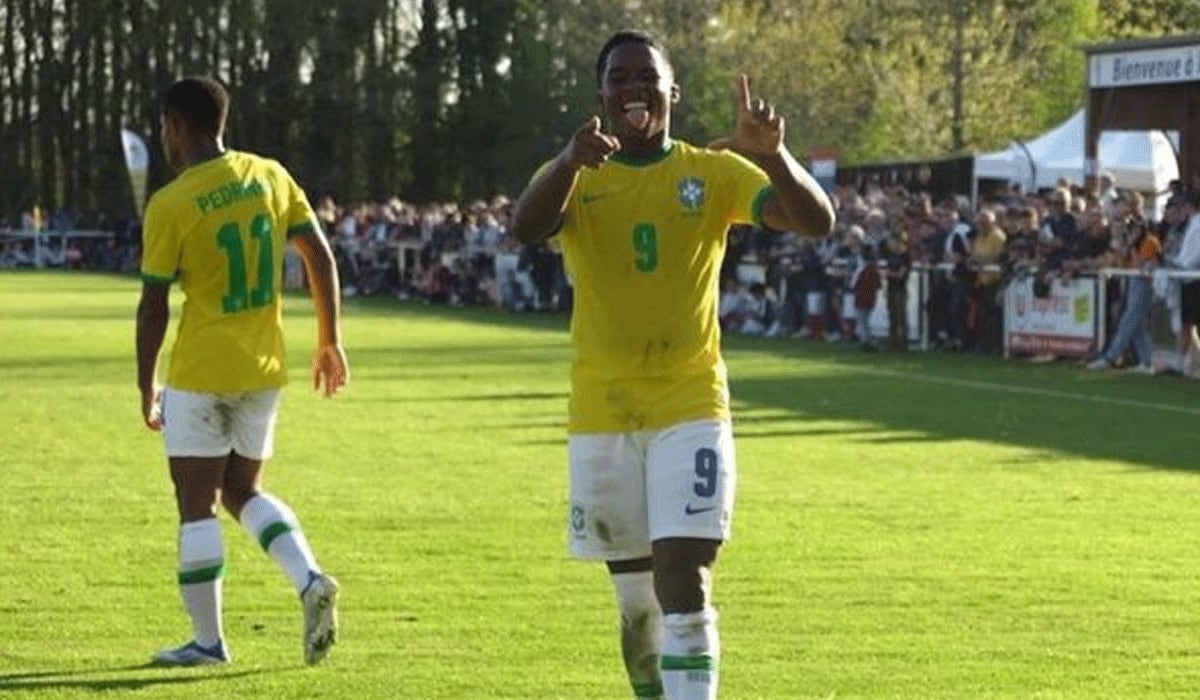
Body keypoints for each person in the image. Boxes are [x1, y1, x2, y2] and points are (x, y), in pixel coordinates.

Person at [510, 30, 834, 700]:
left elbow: (815, 220)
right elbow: (524, 227)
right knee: (636, 606)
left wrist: (775, 157)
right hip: (602, 411)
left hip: (690, 404)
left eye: (646, 78)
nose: (635, 90)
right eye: (620, 79)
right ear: (602, 94)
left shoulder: (712, 172)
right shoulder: (575, 172)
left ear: (671, 92)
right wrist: (569, 163)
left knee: (684, 578)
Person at [135, 77, 348, 667]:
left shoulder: (172, 202)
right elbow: (319, 257)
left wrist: (144, 381)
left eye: (164, 128)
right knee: (242, 490)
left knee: (196, 502)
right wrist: (330, 340)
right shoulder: (270, 175)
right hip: (263, 369)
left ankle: (208, 643)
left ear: (177, 125)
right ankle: (309, 579)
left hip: (201, 372)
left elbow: (153, 303)